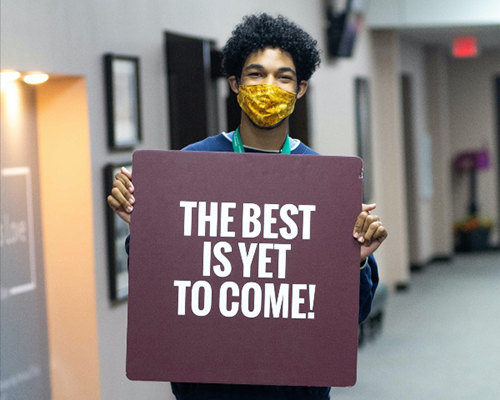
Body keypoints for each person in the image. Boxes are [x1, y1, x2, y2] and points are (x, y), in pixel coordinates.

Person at [108, 13, 387, 400]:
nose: (269, 86)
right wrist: (144, 228)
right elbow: (162, 293)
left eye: (283, 77)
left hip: (295, 389)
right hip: (209, 388)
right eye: (256, 74)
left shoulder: (325, 184)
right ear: (235, 83)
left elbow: (347, 317)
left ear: (300, 89)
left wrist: (356, 262)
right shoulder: (192, 166)